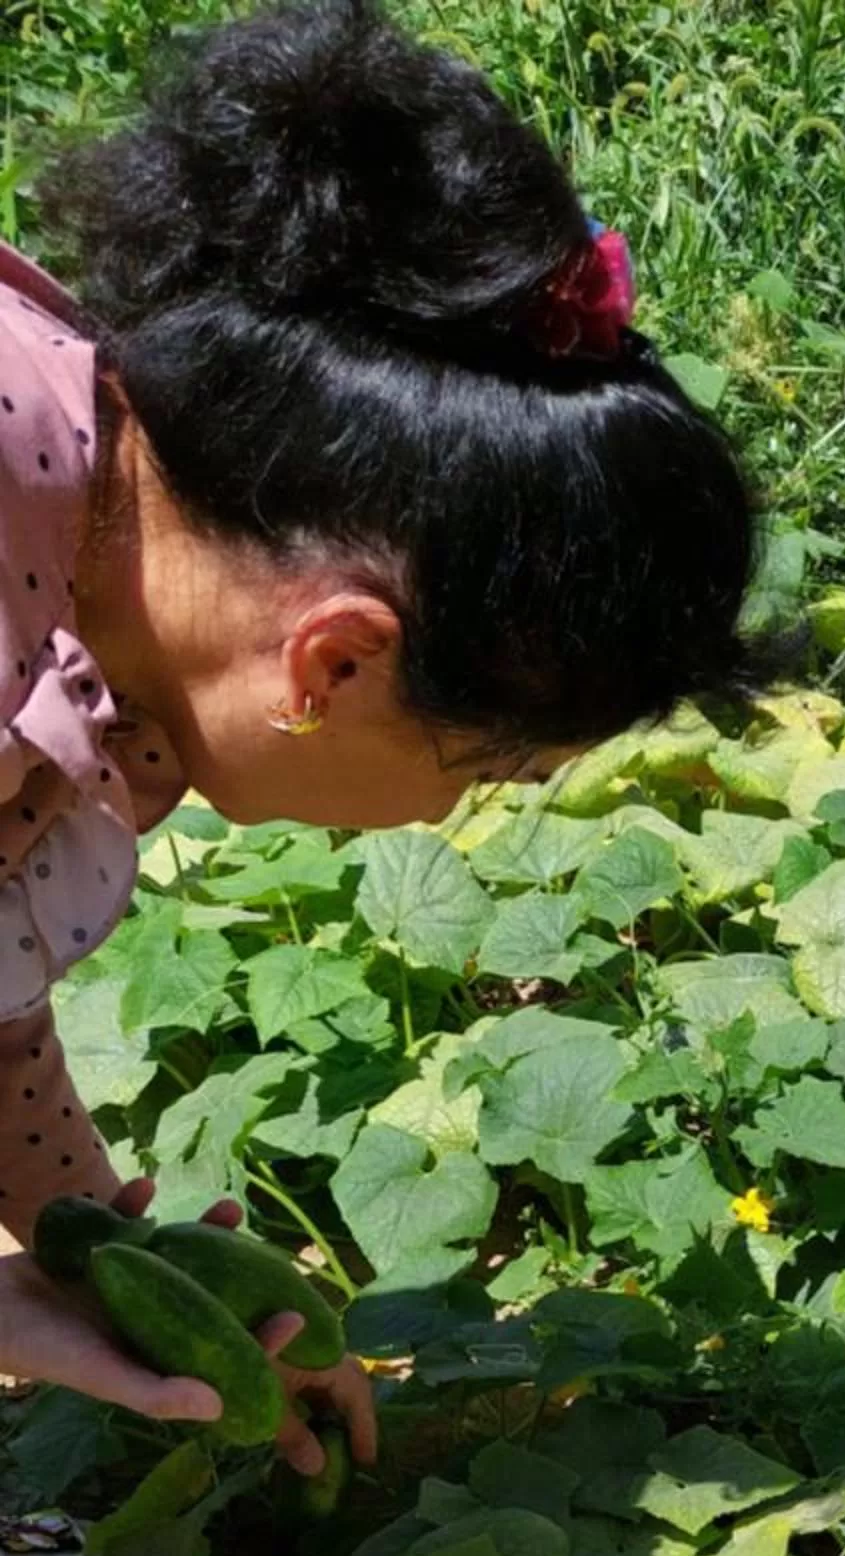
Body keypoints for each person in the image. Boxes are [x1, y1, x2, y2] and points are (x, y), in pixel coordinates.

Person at [0, 0, 761, 1474]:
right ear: (337, 659)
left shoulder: (97, 528)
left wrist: (91, 1246)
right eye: (472, 772)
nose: (439, 828)